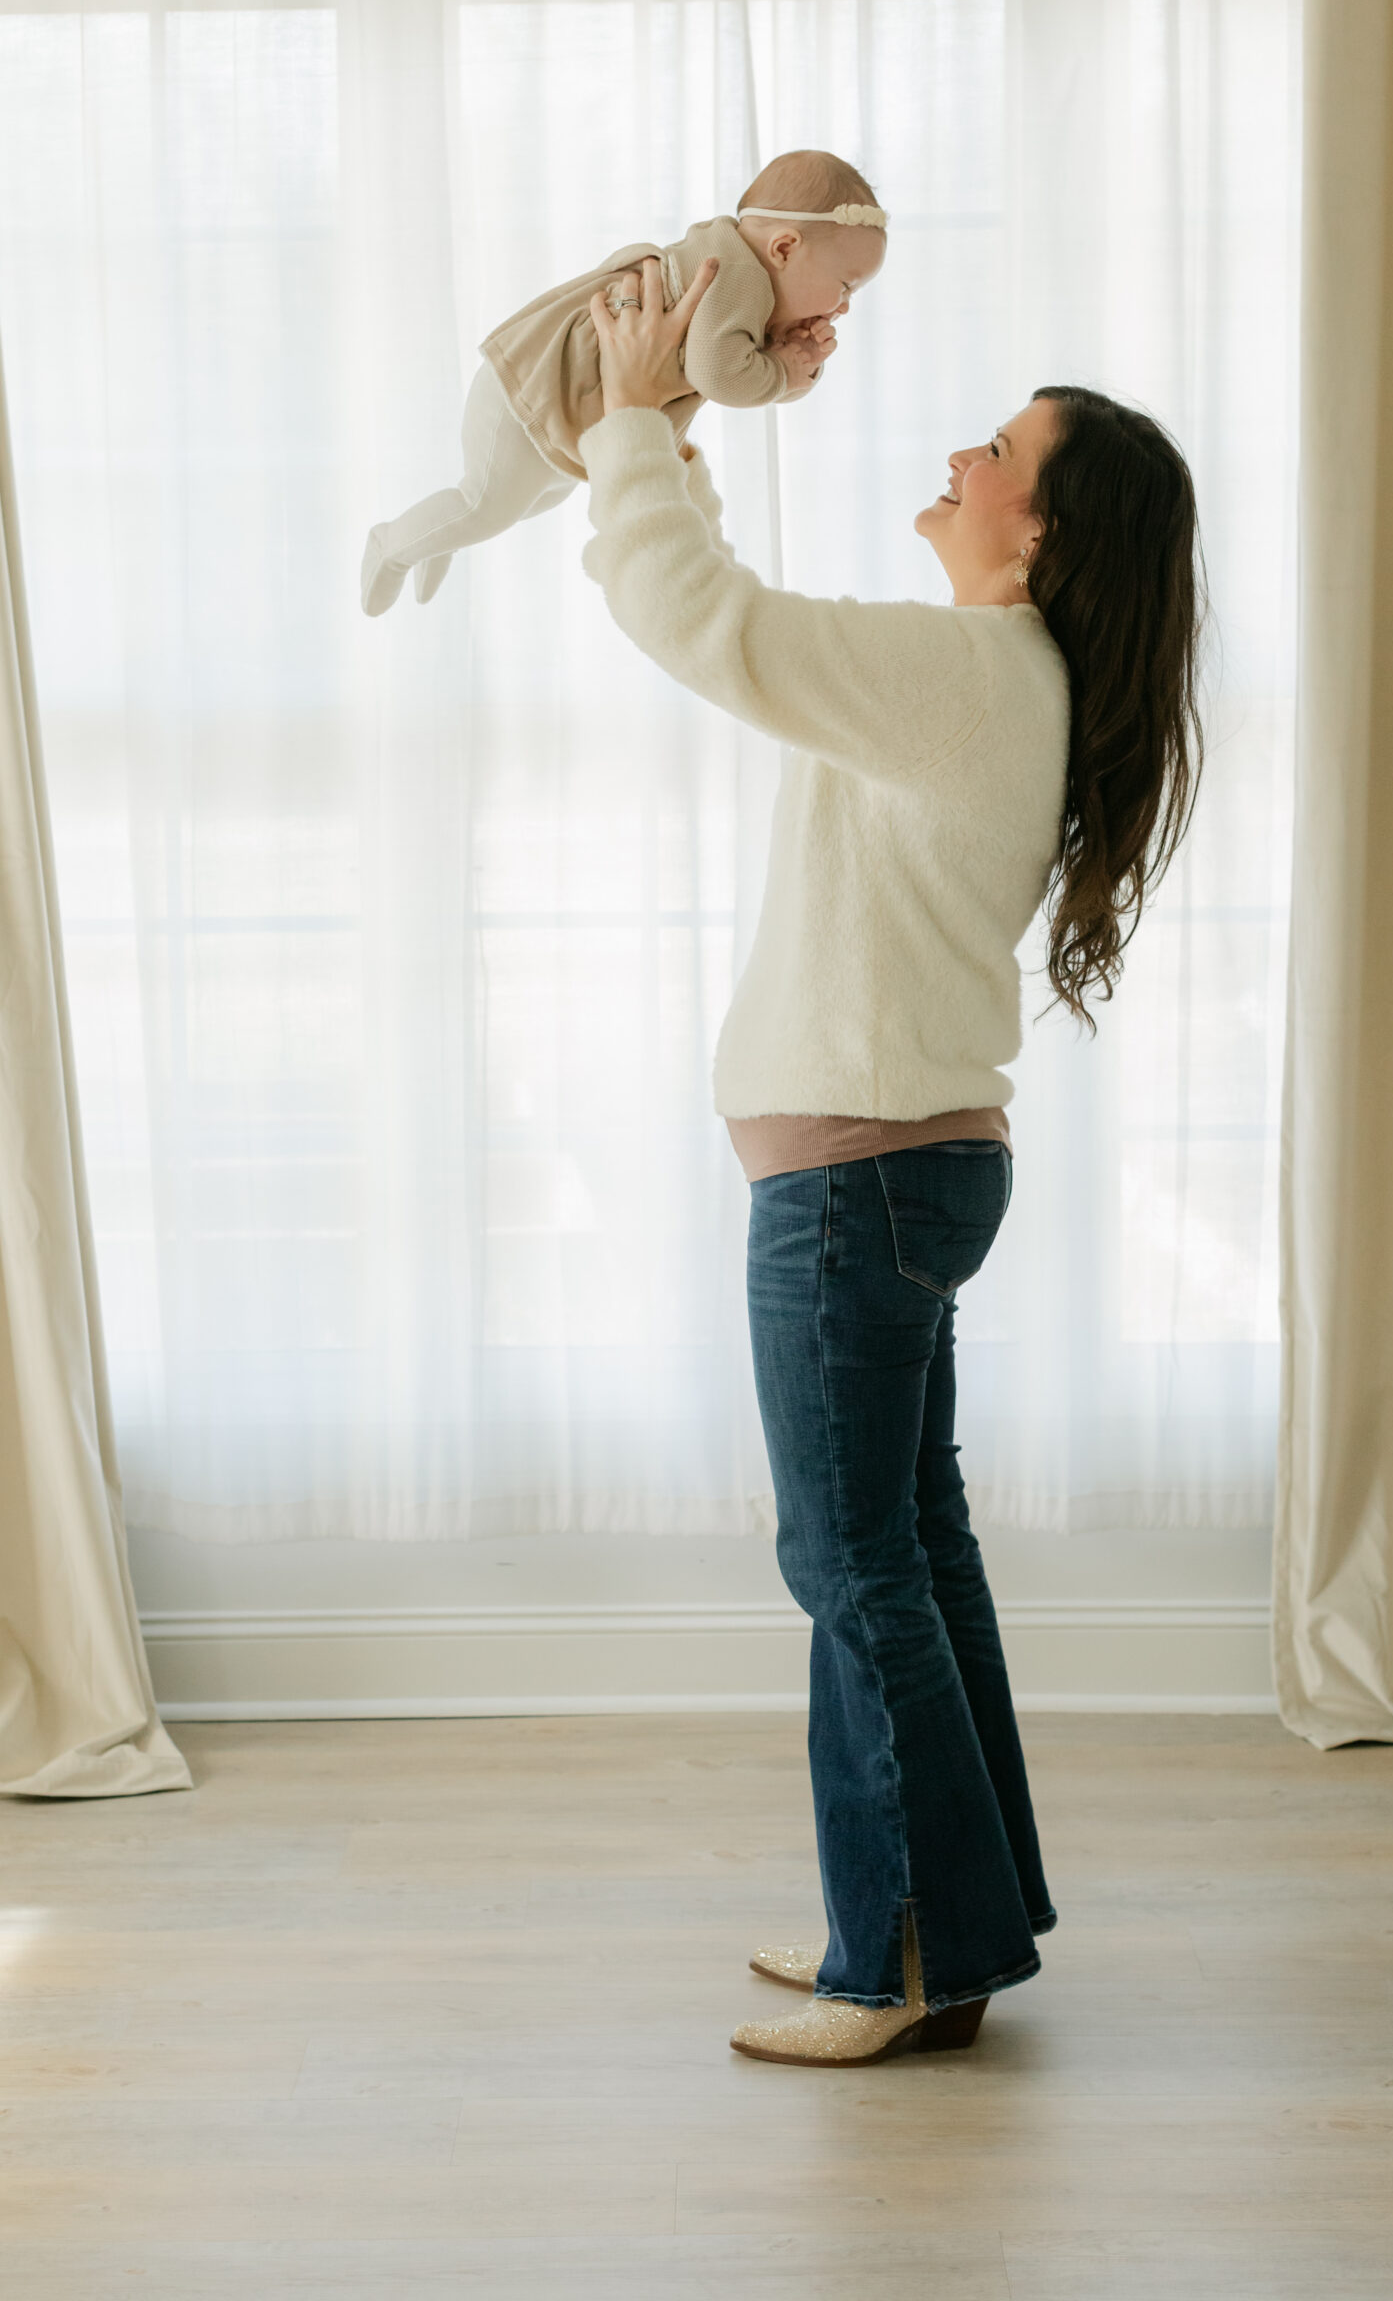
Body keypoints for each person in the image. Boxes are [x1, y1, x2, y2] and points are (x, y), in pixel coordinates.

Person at [578, 254, 1207, 2068]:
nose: (961, 450)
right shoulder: (973, 677)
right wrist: (666, 439)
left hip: (859, 1191)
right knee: (903, 1552)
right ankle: (933, 1923)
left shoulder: (967, 675)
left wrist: (632, 420)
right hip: (895, 1177)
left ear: (1047, 531)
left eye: (1000, 446)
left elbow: (712, 631)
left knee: (851, 1561)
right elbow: (747, 622)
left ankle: (907, 1959)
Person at [358, 150, 886, 614]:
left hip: (551, 401)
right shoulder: (736, 277)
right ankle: (392, 545)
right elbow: (722, 377)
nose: (843, 306)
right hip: (525, 398)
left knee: (527, 501)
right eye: (845, 285)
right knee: (484, 506)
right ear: (786, 249)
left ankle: (437, 537)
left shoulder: (737, 272)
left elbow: (748, 373)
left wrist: (797, 361)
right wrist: (788, 369)